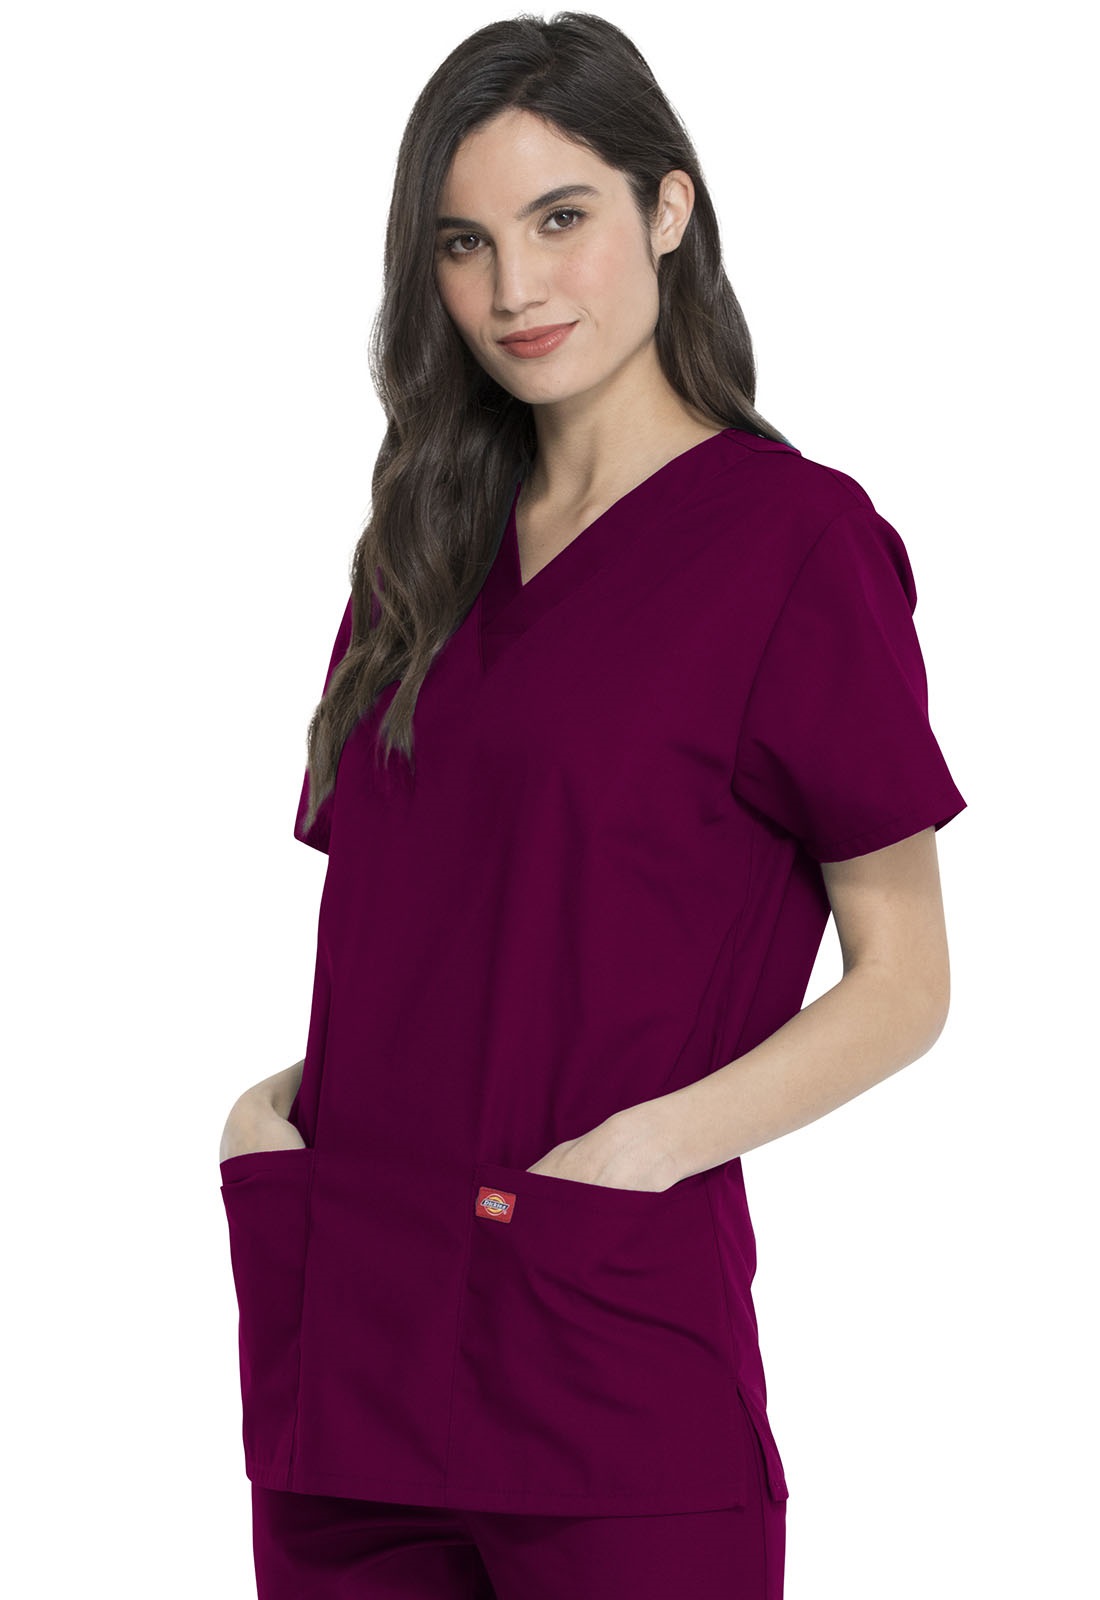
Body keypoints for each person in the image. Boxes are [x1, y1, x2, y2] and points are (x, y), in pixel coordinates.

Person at [217, 13, 967, 1599]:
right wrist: (274, 1115)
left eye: (561, 219)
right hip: (343, 1367)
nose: (515, 290)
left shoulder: (795, 547)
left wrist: (643, 1152)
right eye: (465, 244)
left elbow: (906, 985)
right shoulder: (420, 551)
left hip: (604, 1368)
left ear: (668, 208)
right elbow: (425, 947)